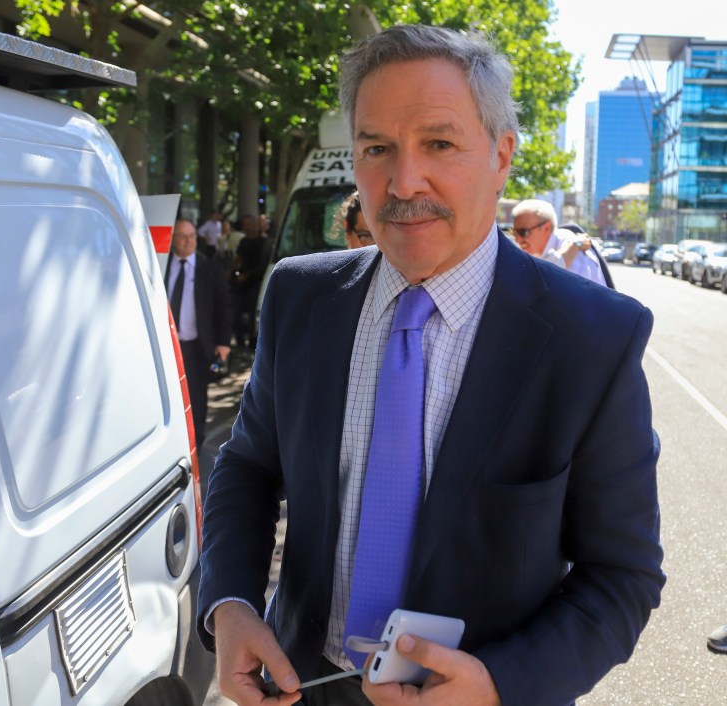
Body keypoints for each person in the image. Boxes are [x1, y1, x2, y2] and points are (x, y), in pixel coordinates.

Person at [197, 24, 664, 706]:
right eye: (376, 148)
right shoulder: (299, 297)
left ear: (501, 155)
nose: (403, 181)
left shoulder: (594, 337)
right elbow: (248, 466)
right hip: (299, 685)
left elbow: (621, 575)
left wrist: (500, 685)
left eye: (439, 144)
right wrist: (231, 602)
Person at [165, 218, 232, 449]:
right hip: (166, 347)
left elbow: (224, 306)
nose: (189, 241)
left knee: (195, 399)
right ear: (173, 240)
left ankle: (194, 445)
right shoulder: (162, 266)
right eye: (183, 236)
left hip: (196, 346)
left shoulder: (209, 268)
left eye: (192, 236)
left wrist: (223, 342)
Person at [511, 199, 607, 286]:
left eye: (523, 232)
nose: (517, 240)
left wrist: (575, 245)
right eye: (514, 232)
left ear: (546, 228)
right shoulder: (571, 247)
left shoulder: (575, 257)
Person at [230, 214, 271, 349]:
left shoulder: (264, 242)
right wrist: (233, 271)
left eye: (249, 224)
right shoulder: (244, 241)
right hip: (241, 282)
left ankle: (253, 342)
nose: (247, 227)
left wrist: (246, 275)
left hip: (255, 281)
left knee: (254, 313)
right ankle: (240, 341)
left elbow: (262, 264)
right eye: (245, 224)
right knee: (237, 311)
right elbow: (238, 258)